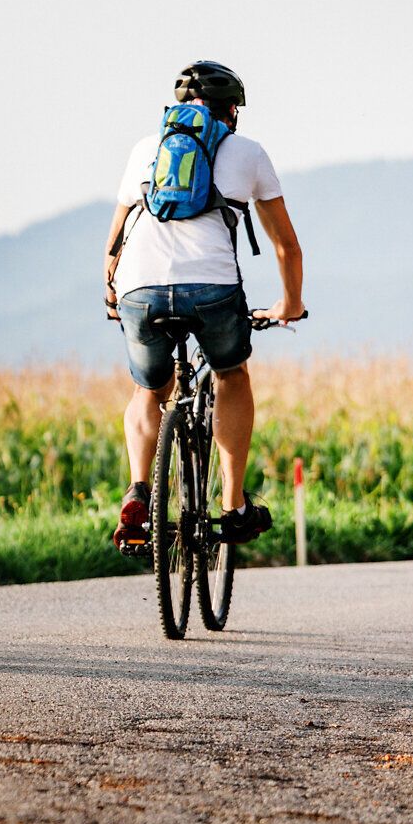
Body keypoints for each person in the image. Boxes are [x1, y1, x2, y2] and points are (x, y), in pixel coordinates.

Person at [103, 60, 306, 549]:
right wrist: (290, 304)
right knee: (231, 373)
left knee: (148, 390)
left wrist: (114, 291)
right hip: (212, 288)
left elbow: (115, 239)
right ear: (231, 111)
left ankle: (137, 489)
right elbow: (286, 247)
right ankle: (233, 505)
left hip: (139, 288)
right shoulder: (248, 151)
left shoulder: (144, 150)